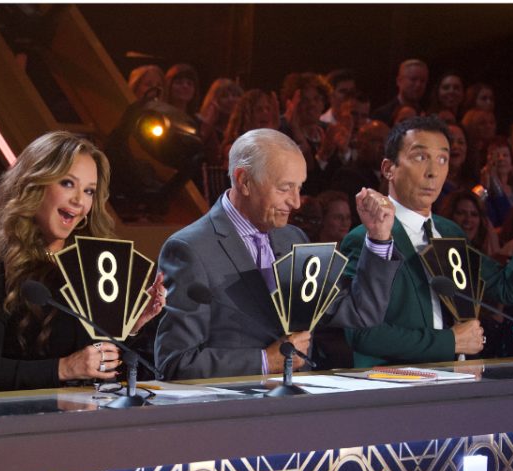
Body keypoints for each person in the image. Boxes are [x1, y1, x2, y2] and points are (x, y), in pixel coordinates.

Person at [155, 128, 401, 380]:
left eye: (299, 187)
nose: (296, 202)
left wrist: (378, 236)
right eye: (285, 188)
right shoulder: (190, 249)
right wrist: (264, 361)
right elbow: (175, 363)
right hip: (232, 402)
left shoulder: (293, 238)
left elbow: (362, 312)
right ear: (244, 181)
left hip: (301, 398)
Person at [340, 116, 513, 367]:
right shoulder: (364, 239)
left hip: (456, 378)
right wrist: (450, 341)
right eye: (420, 157)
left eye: (442, 159)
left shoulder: (448, 232)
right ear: (388, 168)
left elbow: (508, 289)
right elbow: (362, 334)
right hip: (395, 384)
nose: (433, 172)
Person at [0, 131, 166, 392]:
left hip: (94, 410)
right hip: (28, 413)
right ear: (35, 185)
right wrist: (65, 368)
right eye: (68, 183)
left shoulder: (95, 263)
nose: (79, 201)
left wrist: (131, 326)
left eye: (89, 191)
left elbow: (105, 364)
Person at [371, 59, 428, 125]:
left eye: (423, 81)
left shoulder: (426, 116)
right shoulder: (382, 115)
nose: (418, 85)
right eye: (413, 79)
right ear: (399, 81)